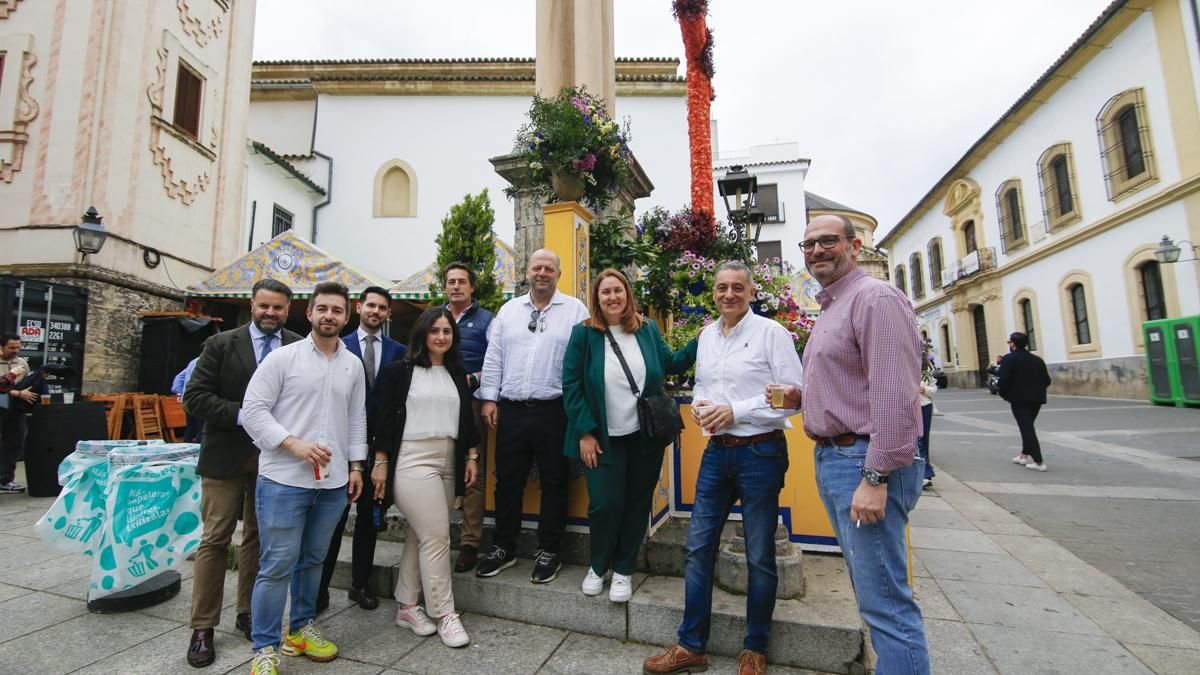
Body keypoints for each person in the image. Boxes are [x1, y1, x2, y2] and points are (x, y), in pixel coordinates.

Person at [772, 214, 930, 674]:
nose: (816, 251)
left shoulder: (875, 299)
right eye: (808, 245)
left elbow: (896, 396)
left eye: (827, 241)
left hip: (863, 460)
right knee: (874, 594)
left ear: (854, 246)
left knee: (886, 603)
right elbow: (857, 381)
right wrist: (806, 397)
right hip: (839, 456)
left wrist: (876, 477)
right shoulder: (834, 305)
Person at [643, 261, 803, 675]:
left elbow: (794, 396)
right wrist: (700, 408)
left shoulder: (772, 334)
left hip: (761, 453)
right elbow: (702, 387)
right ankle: (691, 645)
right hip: (717, 452)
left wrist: (737, 409)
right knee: (697, 548)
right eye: (720, 288)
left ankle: (755, 648)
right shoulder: (706, 336)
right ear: (712, 293)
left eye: (736, 287)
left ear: (751, 292)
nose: (728, 294)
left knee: (759, 554)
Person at [241, 281, 367, 675]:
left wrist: (357, 467)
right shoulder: (283, 359)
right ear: (309, 313)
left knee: (313, 559)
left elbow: (357, 418)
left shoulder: (352, 364)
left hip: (331, 483)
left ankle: (300, 628)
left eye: (337, 310)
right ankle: (264, 646)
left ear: (348, 317)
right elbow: (253, 411)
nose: (330, 316)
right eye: (322, 309)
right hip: (283, 479)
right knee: (277, 564)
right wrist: (291, 443)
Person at [182, 279, 300, 668]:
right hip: (225, 456)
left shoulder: (298, 345)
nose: (271, 313)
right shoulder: (220, 344)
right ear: (252, 305)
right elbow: (195, 396)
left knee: (258, 539)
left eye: (278, 308)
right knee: (215, 539)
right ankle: (203, 627)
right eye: (264, 306)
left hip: (275, 459)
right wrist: (246, 415)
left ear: (288, 309)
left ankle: (248, 613)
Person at [562, 269, 696, 602]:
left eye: (618, 290)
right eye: (605, 292)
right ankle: (598, 565)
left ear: (627, 294)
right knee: (605, 505)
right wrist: (585, 432)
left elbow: (672, 363)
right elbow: (571, 384)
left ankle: (623, 570)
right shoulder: (584, 334)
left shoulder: (647, 328)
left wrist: (704, 338)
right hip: (602, 438)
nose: (612, 297)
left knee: (637, 504)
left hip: (644, 436)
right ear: (597, 298)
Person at [475, 249, 589, 583]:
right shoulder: (509, 311)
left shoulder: (575, 310)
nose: (542, 273)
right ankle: (503, 547)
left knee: (555, 481)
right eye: (537, 267)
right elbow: (493, 357)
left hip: (555, 409)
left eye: (549, 268)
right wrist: (488, 399)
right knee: (507, 480)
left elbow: (583, 360)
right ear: (527, 272)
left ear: (559, 273)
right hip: (511, 409)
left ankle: (550, 549)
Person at [370, 307, 481, 647]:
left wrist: (472, 455)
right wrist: (380, 461)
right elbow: (383, 420)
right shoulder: (398, 372)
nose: (441, 337)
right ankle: (444, 613)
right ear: (422, 334)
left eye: (447, 331)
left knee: (421, 536)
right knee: (436, 537)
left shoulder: (455, 373)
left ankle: (406, 605)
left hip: (449, 460)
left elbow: (466, 422)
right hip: (412, 461)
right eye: (435, 331)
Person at [317, 286, 406, 613]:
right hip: (339, 446)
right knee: (334, 520)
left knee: (370, 520)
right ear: (359, 307)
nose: (376, 312)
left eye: (383, 308)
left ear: (388, 314)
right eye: (371, 305)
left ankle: (360, 584)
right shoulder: (339, 346)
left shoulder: (399, 351)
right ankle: (320, 589)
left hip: (379, 447)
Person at [441, 262, 495, 573]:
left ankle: (470, 542)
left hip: (472, 404)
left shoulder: (488, 319)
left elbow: (497, 360)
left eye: (462, 281)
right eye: (451, 281)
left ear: (471, 287)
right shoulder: (436, 317)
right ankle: (434, 535)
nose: (457, 286)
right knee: (438, 467)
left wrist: (477, 383)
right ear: (445, 286)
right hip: (437, 404)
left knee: (474, 472)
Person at [999, 332, 1052, 472]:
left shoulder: (1009, 359)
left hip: (1019, 399)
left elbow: (1003, 379)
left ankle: (1039, 462)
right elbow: (1047, 380)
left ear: (1013, 343)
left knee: (1027, 428)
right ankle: (1023, 456)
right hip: (1037, 399)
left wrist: (1004, 393)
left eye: (1009, 342)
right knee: (1027, 426)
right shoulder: (1037, 359)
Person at [1, 333, 35, 494]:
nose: (15, 351)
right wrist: (16, 391)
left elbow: (27, 383)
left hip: (15, 410)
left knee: (15, 442)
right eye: (11, 347)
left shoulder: (21, 363)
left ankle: (5, 480)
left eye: (18, 347)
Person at [171, 357, 203, 443]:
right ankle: (197, 454)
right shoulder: (207, 361)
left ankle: (186, 450)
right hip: (199, 399)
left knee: (190, 427)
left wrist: (180, 393)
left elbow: (179, 377)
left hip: (188, 400)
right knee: (201, 428)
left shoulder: (193, 362)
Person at [918, 356, 938, 490]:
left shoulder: (926, 368)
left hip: (924, 405)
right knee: (915, 440)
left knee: (923, 439)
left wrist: (924, 390)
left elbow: (934, 389)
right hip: (909, 406)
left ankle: (926, 474)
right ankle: (921, 473)